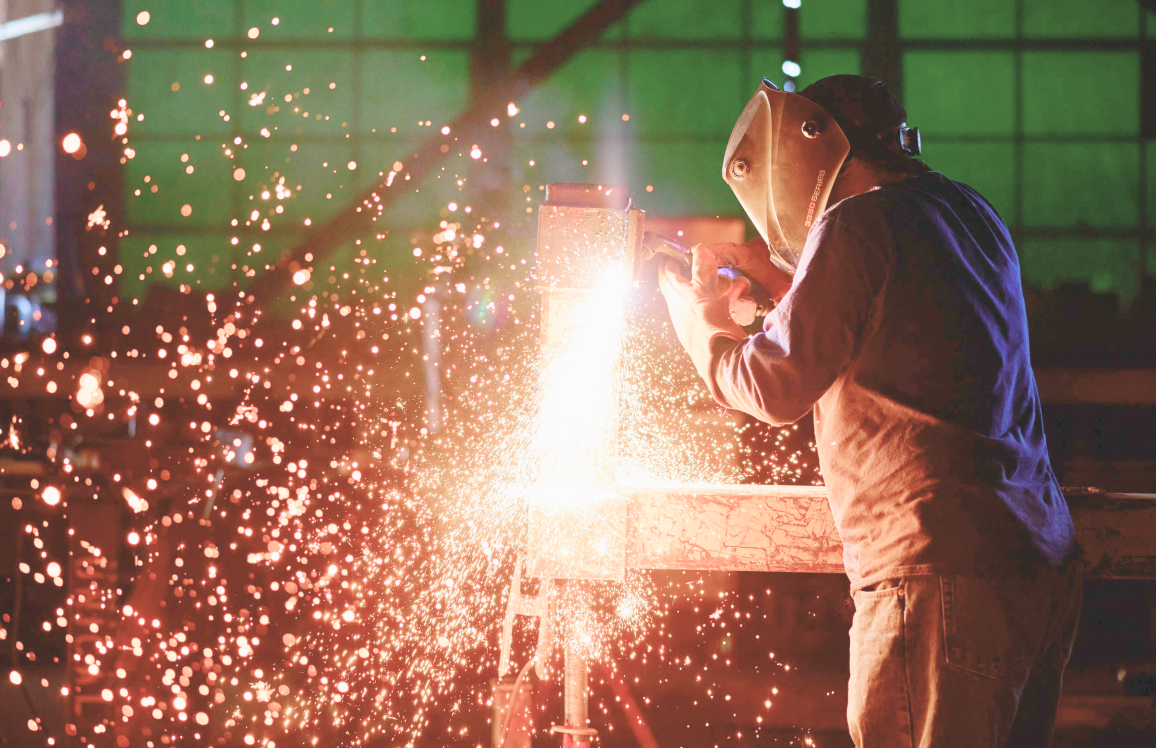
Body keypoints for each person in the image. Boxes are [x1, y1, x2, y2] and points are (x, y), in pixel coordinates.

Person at [657, 75, 1081, 747]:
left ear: (811, 147)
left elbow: (774, 386)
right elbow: (892, 320)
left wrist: (702, 327)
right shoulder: (968, 212)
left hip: (936, 574)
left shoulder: (854, 222)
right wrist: (782, 288)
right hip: (1032, 563)